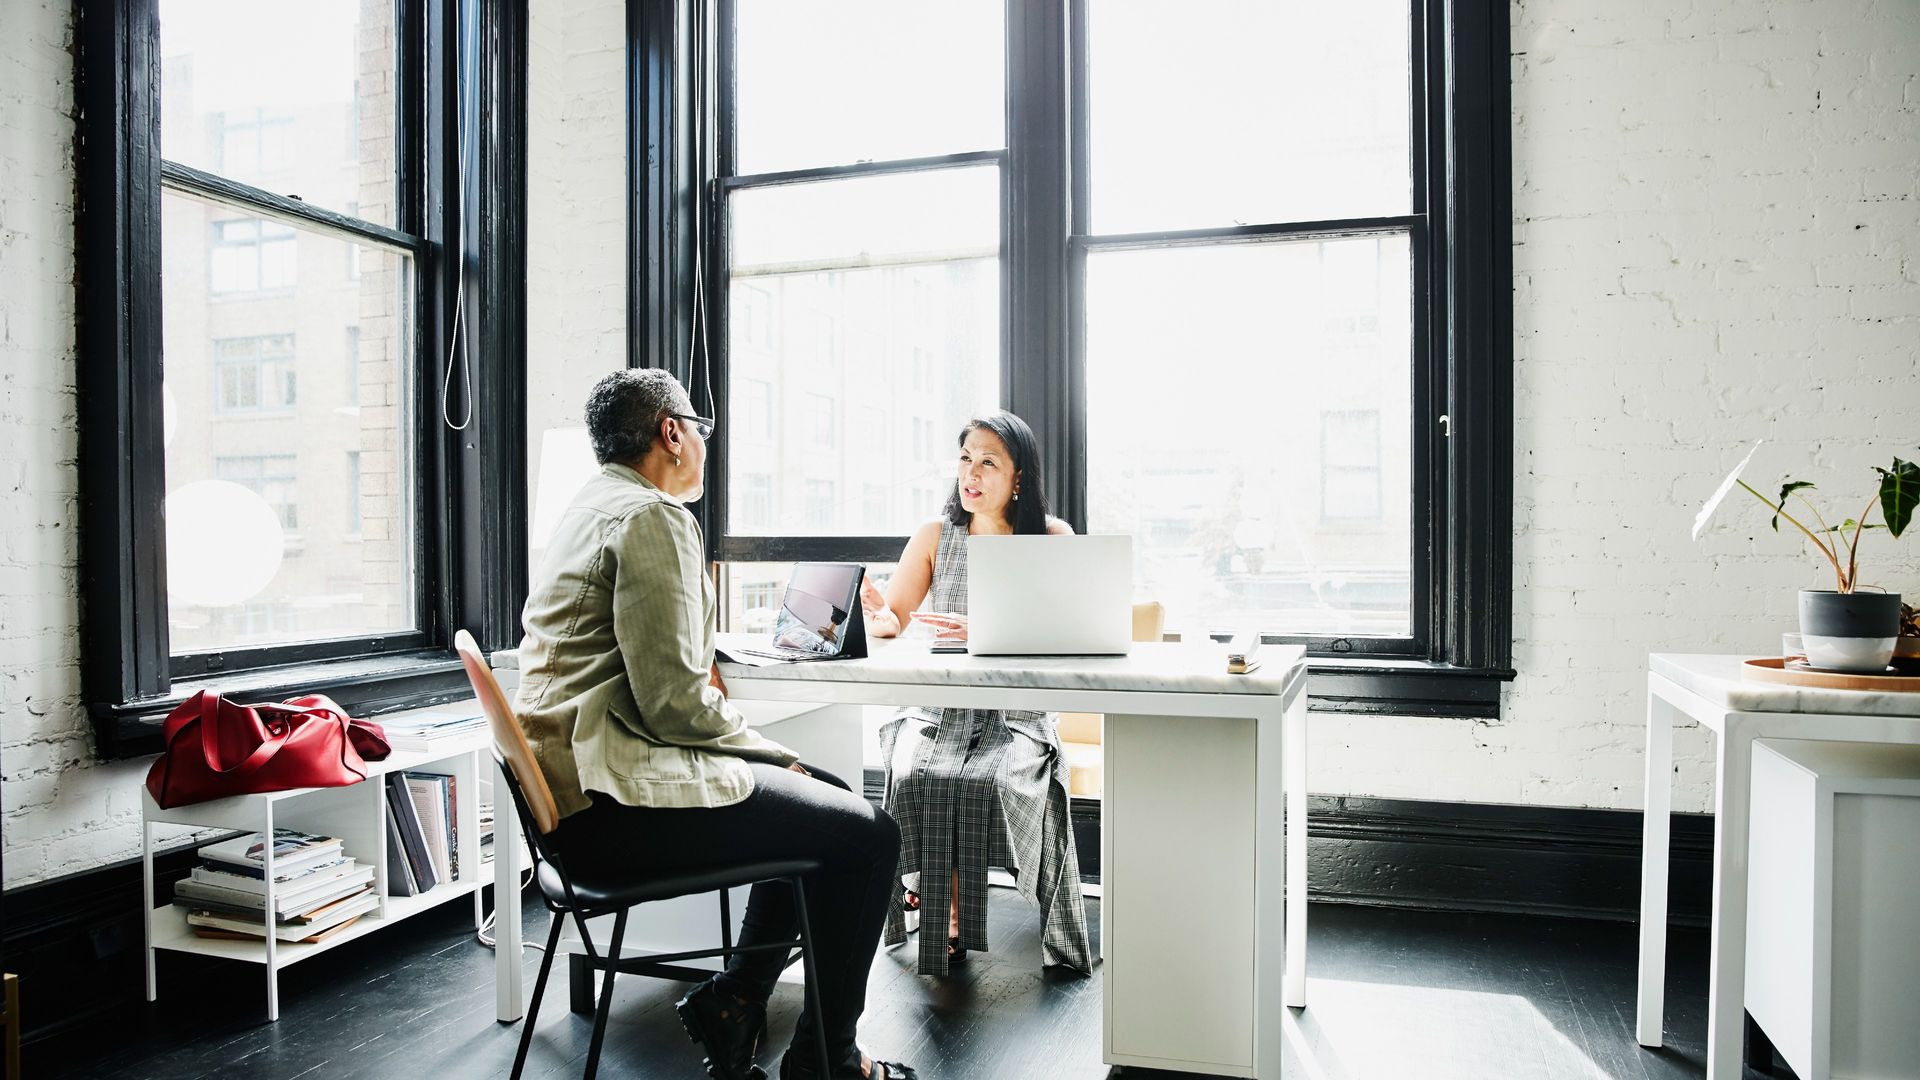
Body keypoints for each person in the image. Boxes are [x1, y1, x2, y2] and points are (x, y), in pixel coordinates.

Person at [514, 369, 915, 1080]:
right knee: (868, 834)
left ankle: (736, 1002)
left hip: (570, 804)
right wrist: (774, 753)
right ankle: (827, 1062)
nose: (702, 442)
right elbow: (673, 705)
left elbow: (640, 651)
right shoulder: (653, 518)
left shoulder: (593, 504)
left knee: (814, 812)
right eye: (699, 427)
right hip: (612, 809)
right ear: (671, 431)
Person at [860, 410, 1096, 977]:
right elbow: (896, 616)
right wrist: (881, 619)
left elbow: (1072, 631)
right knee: (924, 773)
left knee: (983, 777)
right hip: (940, 706)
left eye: (988, 461)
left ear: (1019, 477)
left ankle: (952, 908)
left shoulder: (1050, 538)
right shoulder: (934, 536)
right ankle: (946, 911)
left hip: (1018, 712)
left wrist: (986, 628)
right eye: (966, 458)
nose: (972, 472)